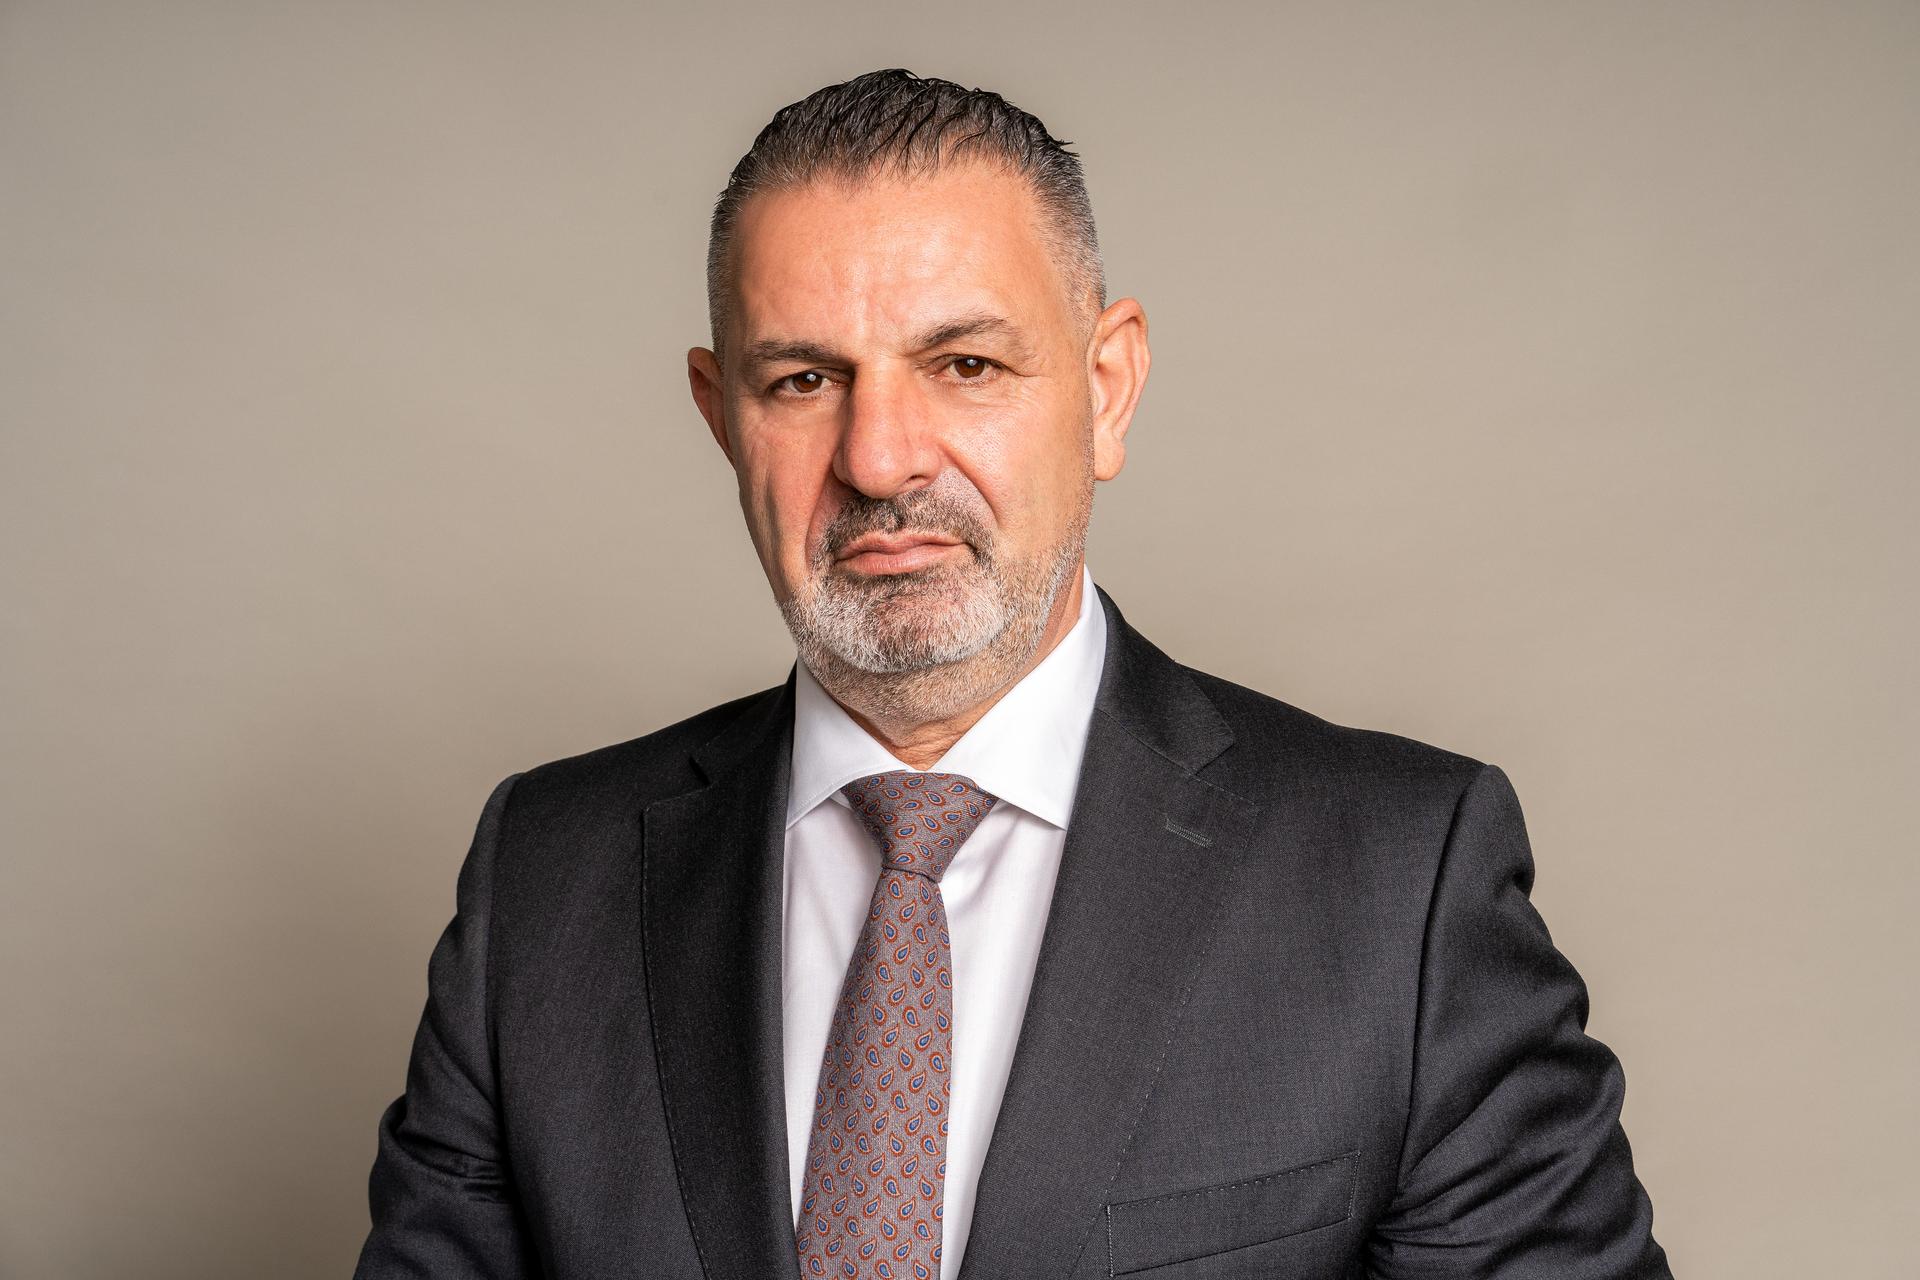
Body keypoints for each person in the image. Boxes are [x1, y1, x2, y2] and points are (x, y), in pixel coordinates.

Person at [353, 69, 1671, 1279]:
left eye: (965, 365)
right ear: (721, 417)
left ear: (1108, 388)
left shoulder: (1400, 890)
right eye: (804, 380)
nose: (879, 458)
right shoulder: (546, 884)